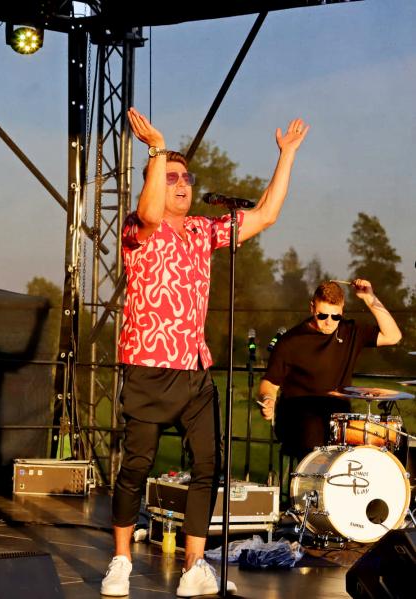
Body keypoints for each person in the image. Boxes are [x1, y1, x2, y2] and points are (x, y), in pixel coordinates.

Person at [100, 107, 309, 597]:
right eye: (170, 178)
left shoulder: (201, 230)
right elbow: (151, 213)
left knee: (207, 467)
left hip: (195, 369)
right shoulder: (137, 229)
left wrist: (287, 156)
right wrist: (156, 150)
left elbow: (266, 214)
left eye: (186, 178)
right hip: (149, 367)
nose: (181, 185)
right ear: (153, 182)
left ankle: (194, 566)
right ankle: (121, 560)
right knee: (136, 467)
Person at [258, 279, 402, 460]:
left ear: (342, 311)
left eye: (335, 317)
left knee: (370, 445)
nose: (329, 322)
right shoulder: (290, 341)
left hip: (339, 418)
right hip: (299, 417)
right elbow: (270, 383)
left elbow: (393, 336)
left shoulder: (350, 331)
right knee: (313, 427)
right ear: (312, 308)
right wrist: (268, 399)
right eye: (322, 315)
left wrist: (369, 297)